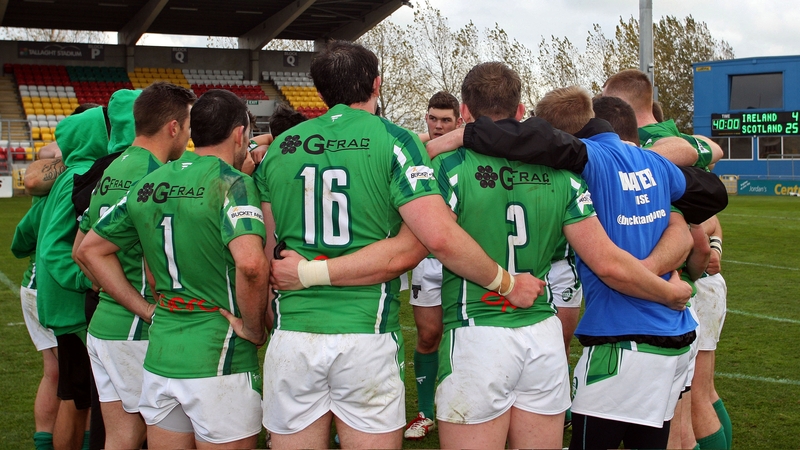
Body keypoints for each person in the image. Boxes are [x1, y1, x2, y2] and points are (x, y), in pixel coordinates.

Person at [253, 40, 543, 449]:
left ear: (321, 91)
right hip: (364, 338)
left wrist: (290, 290)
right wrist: (506, 283)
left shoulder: (279, 149)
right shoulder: (394, 140)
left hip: (292, 336)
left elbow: (271, 260)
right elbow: (433, 239)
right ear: (377, 84)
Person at [77, 89, 268, 448]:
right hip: (216, 353)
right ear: (240, 134)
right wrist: (255, 329)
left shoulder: (150, 182)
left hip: (161, 355)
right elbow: (252, 264)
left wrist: (150, 307)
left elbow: (88, 249)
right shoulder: (232, 182)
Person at [74, 82, 196, 449]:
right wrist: (145, 307)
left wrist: (109, 288)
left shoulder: (113, 169)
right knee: (172, 435)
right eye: (188, 127)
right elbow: (153, 266)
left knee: (122, 437)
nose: (189, 136)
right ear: (173, 127)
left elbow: (80, 249)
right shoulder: (154, 178)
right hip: (136, 331)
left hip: (103, 327)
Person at [404, 91, 463, 440]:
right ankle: (425, 412)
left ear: (459, 121)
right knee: (428, 335)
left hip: (460, 259)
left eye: (446, 120)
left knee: (463, 336)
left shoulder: (470, 152)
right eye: (433, 119)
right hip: (424, 259)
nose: (439, 126)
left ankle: (461, 407)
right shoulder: (413, 148)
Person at [11, 195, 59, 450]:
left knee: (54, 372)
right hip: (53, 290)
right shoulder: (79, 184)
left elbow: (20, 243)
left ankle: (44, 442)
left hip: (35, 287)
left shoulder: (46, 194)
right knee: (79, 378)